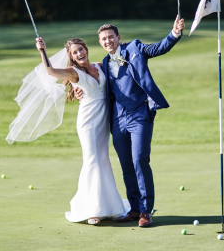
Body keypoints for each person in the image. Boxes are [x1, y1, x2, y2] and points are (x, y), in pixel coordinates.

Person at [75, 16, 185, 228]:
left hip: (139, 115)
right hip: (117, 120)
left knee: (139, 159)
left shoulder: (135, 48)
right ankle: (134, 209)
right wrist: (78, 90)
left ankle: (145, 211)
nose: (108, 41)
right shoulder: (104, 63)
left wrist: (175, 34)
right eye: (103, 39)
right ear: (100, 43)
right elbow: (86, 76)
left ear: (118, 37)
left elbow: (159, 48)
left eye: (111, 37)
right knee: (126, 164)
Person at [34, 37, 129, 225]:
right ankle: (91, 210)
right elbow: (50, 71)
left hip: (104, 119)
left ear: (86, 49)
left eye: (80, 49)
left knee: (103, 158)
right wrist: (42, 50)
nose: (79, 54)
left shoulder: (99, 66)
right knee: (92, 159)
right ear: (72, 57)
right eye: (75, 52)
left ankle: (112, 207)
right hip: (87, 121)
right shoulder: (73, 72)